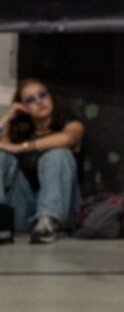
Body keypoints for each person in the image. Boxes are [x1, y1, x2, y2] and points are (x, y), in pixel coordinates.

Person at [0, 78, 83, 243]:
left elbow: (67, 139)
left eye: (43, 95)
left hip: (61, 211)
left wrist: (21, 148)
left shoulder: (71, 125)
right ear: (23, 107)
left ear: (51, 98)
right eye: (30, 100)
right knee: (2, 155)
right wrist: (7, 116)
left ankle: (47, 222)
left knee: (58, 153)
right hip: (23, 207)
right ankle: (1, 218)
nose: (39, 102)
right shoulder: (18, 134)